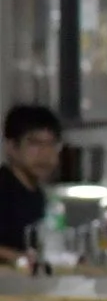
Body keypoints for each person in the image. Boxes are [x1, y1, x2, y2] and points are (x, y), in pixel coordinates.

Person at [0, 102, 62, 263]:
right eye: (35, 143)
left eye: (51, 144)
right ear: (12, 147)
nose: (46, 153)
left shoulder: (37, 195)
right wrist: (18, 258)